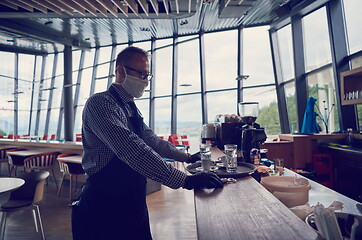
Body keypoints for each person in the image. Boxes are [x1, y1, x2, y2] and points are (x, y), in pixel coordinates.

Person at [72, 46, 223, 240]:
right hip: (104, 200)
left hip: (131, 199)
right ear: (120, 71)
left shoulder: (130, 107)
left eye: (147, 75)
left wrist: (186, 157)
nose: (144, 80)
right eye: (141, 74)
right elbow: (131, 148)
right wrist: (183, 180)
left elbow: (151, 140)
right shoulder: (100, 103)